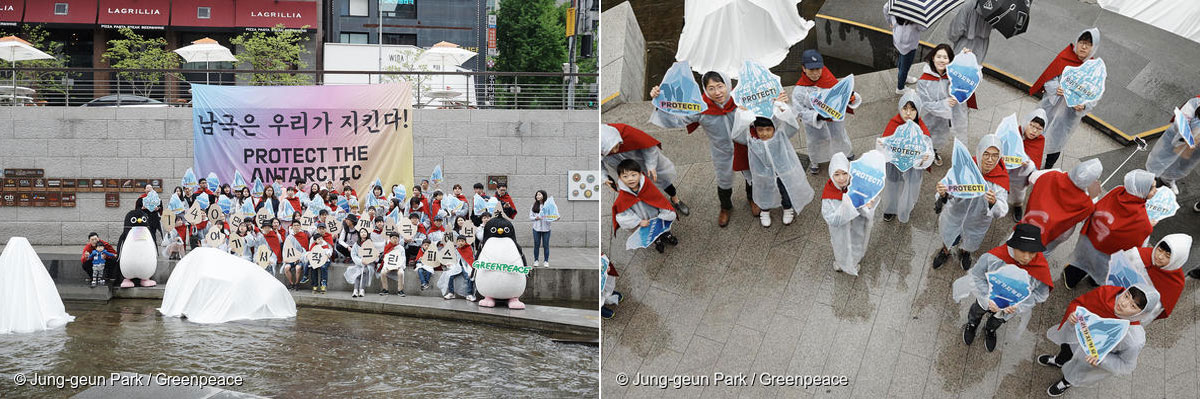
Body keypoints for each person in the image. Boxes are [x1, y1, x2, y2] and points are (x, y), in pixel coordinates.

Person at [650, 70, 754, 227]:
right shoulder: (700, 107)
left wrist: (776, 102)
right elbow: (677, 120)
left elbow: (762, 113)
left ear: (728, 84)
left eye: (720, 86)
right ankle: (725, 207)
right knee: (724, 181)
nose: (717, 92)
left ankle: (752, 198)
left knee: (751, 174)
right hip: (721, 151)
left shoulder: (740, 99)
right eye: (711, 88)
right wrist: (660, 101)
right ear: (705, 89)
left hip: (745, 146)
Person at [1038, 284, 1156, 396]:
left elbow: (1126, 365)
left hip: (1088, 359)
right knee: (1066, 350)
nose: (1123, 303)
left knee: (1076, 370)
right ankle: (1059, 361)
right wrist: (1073, 313)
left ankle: (1066, 382)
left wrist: (1101, 358)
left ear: (1141, 314)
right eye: (1126, 295)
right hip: (1075, 337)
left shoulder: (1134, 338)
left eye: (1133, 306)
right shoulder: (1107, 293)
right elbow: (1080, 303)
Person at [955, 224, 1053, 352]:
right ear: (1013, 245)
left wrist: (1018, 305)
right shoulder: (993, 258)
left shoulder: (1040, 269)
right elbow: (977, 276)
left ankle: (990, 329)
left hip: (1008, 310)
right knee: (977, 311)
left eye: (1032, 252)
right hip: (986, 300)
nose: (1027, 257)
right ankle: (972, 324)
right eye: (1022, 250)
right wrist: (987, 298)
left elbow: (1040, 295)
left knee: (997, 321)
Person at [1063, 170, 1157, 289]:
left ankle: (1070, 280)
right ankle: (1094, 281)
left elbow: (1099, 208)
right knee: (1101, 270)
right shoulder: (1142, 221)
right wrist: (1149, 225)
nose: (1156, 190)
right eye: (1152, 188)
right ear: (1141, 190)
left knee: (1081, 264)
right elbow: (1138, 240)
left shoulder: (1118, 191)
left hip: (1091, 239)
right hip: (1108, 254)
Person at [731, 103, 816, 227]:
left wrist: (783, 108)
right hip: (762, 175)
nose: (764, 133)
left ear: (774, 127)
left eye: (768, 129)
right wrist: (742, 115)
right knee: (763, 191)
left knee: (784, 190)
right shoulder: (751, 140)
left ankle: (787, 208)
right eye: (760, 130)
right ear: (755, 129)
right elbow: (736, 136)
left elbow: (792, 126)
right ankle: (765, 210)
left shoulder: (780, 136)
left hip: (781, 172)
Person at [933, 135, 1009, 270]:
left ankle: (965, 253)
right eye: (986, 154)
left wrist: (994, 203)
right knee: (950, 236)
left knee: (971, 241)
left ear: (999, 157)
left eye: (995, 155)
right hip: (954, 216)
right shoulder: (963, 168)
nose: (990, 160)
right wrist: (943, 193)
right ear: (979, 152)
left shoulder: (1000, 181)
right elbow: (946, 187)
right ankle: (946, 251)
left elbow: (1001, 211)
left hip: (977, 222)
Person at [1030, 28, 1102, 169]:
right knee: (1036, 129)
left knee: (1057, 141)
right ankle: (1029, 159)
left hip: (1068, 115)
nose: (1084, 47)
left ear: (1094, 48)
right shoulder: (1064, 57)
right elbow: (1049, 77)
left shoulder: (1093, 70)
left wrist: (1084, 105)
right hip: (1050, 106)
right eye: (1081, 42)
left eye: (1088, 44)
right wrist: (1055, 88)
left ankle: (1048, 167)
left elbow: (1093, 96)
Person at [791, 49, 863, 175]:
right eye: (811, 70)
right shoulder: (799, 90)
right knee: (816, 142)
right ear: (803, 68)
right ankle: (816, 161)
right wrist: (816, 116)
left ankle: (846, 153)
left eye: (818, 69)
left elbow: (842, 93)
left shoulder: (829, 79)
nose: (815, 73)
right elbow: (799, 110)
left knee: (839, 136)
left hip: (834, 121)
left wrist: (851, 97)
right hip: (815, 125)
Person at [601, 123, 689, 214]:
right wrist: (603, 177)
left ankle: (675, 200)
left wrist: (651, 165)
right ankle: (656, 208)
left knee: (664, 182)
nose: (615, 151)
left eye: (616, 147)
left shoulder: (627, 134)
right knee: (641, 191)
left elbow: (648, 146)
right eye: (609, 151)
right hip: (627, 173)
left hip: (645, 164)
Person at [1021, 159, 1102, 255]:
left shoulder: (1053, 174)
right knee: (1045, 251)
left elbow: (1032, 177)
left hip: (1032, 221)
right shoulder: (1089, 202)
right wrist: (1093, 196)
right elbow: (1091, 220)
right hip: (1057, 234)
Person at [878, 90, 935, 222]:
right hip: (894, 165)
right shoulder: (893, 124)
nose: (908, 113)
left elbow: (928, 150)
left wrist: (925, 158)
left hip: (913, 168)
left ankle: (906, 207)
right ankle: (890, 208)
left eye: (912, 109)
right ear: (900, 108)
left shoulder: (922, 129)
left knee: (910, 187)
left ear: (918, 111)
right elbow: (885, 145)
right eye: (905, 108)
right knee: (892, 185)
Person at [822, 152, 878, 276]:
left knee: (857, 243)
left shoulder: (858, 186)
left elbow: (867, 209)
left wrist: (867, 206)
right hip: (840, 230)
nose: (841, 178)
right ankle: (841, 262)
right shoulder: (829, 195)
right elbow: (831, 218)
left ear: (849, 172)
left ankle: (854, 262)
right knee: (840, 245)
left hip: (857, 226)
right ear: (831, 175)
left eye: (844, 173)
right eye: (836, 174)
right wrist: (848, 207)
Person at [917, 44, 974, 164]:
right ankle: (930, 151)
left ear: (950, 60)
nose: (942, 60)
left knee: (951, 133)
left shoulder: (954, 75)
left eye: (945, 57)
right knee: (931, 133)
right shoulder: (924, 80)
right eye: (939, 57)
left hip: (954, 112)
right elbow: (925, 103)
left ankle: (938, 151)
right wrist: (945, 103)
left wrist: (965, 58)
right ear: (933, 57)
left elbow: (971, 77)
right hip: (933, 115)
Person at [612, 159, 679, 253]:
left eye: (633, 175)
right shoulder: (623, 197)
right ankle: (657, 241)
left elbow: (659, 200)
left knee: (663, 228)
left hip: (657, 216)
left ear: (640, 174)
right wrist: (638, 222)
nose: (630, 179)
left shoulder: (648, 187)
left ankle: (668, 236)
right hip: (644, 221)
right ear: (620, 178)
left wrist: (664, 213)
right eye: (625, 176)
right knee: (651, 233)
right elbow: (623, 215)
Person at [1145, 96, 1200, 194]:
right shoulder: (1196, 102)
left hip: (1194, 150)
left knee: (1182, 166)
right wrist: (1186, 134)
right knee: (1160, 158)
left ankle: (1168, 180)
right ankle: (1149, 178)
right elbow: (1182, 118)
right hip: (1176, 139)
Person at [1133, 234, 1192, 322]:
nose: (1160, 257)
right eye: (1159, 250)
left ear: (1177, 260)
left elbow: (1156, 309)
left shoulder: (1175, 282)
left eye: (1167, 256)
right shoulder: (1138, 255)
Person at [1008, 109, 1048, 221]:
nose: (1034, 131)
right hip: (1006, 168)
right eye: (1032, 126)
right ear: (1027, 122)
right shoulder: (1016, 132)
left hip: (1021, 175)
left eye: (1039, 129)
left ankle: (1017, 205)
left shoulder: (1040, 140)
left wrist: (1028, 162)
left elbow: (1035, 162)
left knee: (1019, 192)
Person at [885, 0, 928, 93]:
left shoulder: (895, 4)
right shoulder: (915, 14)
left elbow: (885, 8)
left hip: (898, 39)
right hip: (909, 45)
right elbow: (923, 28)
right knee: (905, 66)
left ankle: (903, 77)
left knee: (901, 60)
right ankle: (900, 88)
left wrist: (890, 21)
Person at [439, 235, 478, 301]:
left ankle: (469, 294)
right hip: (457, 267)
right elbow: (454, 259)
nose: (460, 243)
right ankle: (451, 293)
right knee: (450, 276)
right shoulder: (456, 249)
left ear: (465, 242)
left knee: (469, 278)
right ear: (457, 242)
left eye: (462, 241)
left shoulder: (469, 249)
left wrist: (470, 270)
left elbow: (471, 260)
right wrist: (450, 264)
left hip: (466, 267)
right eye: (459, 241)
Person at [282, 218, 310, 290]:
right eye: (295, 225)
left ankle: (297, 283)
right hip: (291, 259)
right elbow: (286, 249)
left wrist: (298, 259)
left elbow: (305, 250)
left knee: (298, 268)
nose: (296, 227)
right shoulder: (289, 237)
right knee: (286, 268)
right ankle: (291, 283)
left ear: (300, 226)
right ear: (292, 227)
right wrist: (286, 259)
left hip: (300, 260)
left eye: (298, 225)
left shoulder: (303, 236)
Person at [529, 190, 554, 267]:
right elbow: (530, 217)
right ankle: (536, 260)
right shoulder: (533, 206)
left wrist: (554, 217)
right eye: (537, 195)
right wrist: (535, 218)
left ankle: (546, 261)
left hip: (546, 229)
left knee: (546, 245)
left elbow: (552, 215)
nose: (537, 196)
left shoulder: (548, 205)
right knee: (536, 244)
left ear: (544, 196)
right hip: (536, 229)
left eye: (539, 195)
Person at [347, 230, 374, 298]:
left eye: (365, 232)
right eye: (361, 232)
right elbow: (353, 255)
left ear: (367, 233)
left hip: (368, 264)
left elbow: (374, 254)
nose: (363, 233)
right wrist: (360, 261)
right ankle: (355, 290)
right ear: (359, 234)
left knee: (364, 271)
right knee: (358, 273)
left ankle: (362, 289)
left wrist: (367, 261)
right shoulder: (356, 244)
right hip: (359, 263)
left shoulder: (371, 243)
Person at [378, 232, 406, 296]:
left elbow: (403, 259)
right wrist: (386, 266)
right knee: (383, 272)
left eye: (396, 238)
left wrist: (400, 266)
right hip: (388, 265)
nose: (395, 240)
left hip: (398, 265)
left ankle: (400, 290)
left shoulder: (401, 248)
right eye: (393, 238)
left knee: (401, 273)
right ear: (390, 239)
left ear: (398, 239)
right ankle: (385, 289)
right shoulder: (387, 247)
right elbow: (386, 258)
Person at [308, 229, 333, 294]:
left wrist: (327, 255)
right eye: (318, 239)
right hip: (316, 260)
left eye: (321, 238)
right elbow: (310, 253)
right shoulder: (313, 245)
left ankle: (323, 285)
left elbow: (329, 252)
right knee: (313, 268)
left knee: (323, 267)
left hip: (325, 259)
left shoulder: (325, 243)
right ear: (315, 240)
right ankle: (315, 285)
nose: (320, 240)